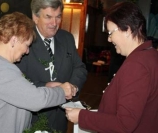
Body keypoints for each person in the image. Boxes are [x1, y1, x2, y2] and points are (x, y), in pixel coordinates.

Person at [0, 12, 77, 133]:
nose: (27, 51)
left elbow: (18, 90)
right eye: (27, 45)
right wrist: (62, 91)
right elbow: (37, 100)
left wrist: (46, 86)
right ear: (14, 40)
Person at [65, 2, 158, 133]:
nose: (109, 39)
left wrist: (82, 116)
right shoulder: (151, 54)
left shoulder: (137, 65)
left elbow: (124, 124)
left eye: (111, 33)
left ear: (127, 29)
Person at [16, 0, 88, 132]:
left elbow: (80, 68)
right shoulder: (23, 40)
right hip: (33, 120)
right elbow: (17, 81)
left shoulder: (67, 38)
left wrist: (72, 87)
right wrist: (46, 86)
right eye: (48, 17)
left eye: (58, 17)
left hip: (61, 119)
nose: (54, 23)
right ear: (35, 17)